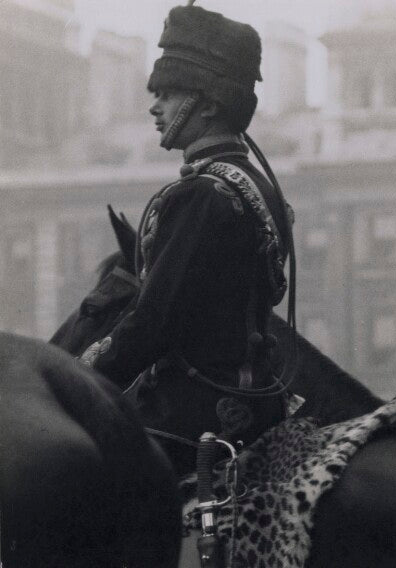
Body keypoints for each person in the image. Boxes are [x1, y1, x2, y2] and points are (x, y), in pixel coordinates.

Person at [79, 4, 295, 472]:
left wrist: (77, 379)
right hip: (253, 403)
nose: (155, 108)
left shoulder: (202, 194)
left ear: (209, 102)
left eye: (168, 95)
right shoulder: (255, 183)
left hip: (192, 416)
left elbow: (155, 320)